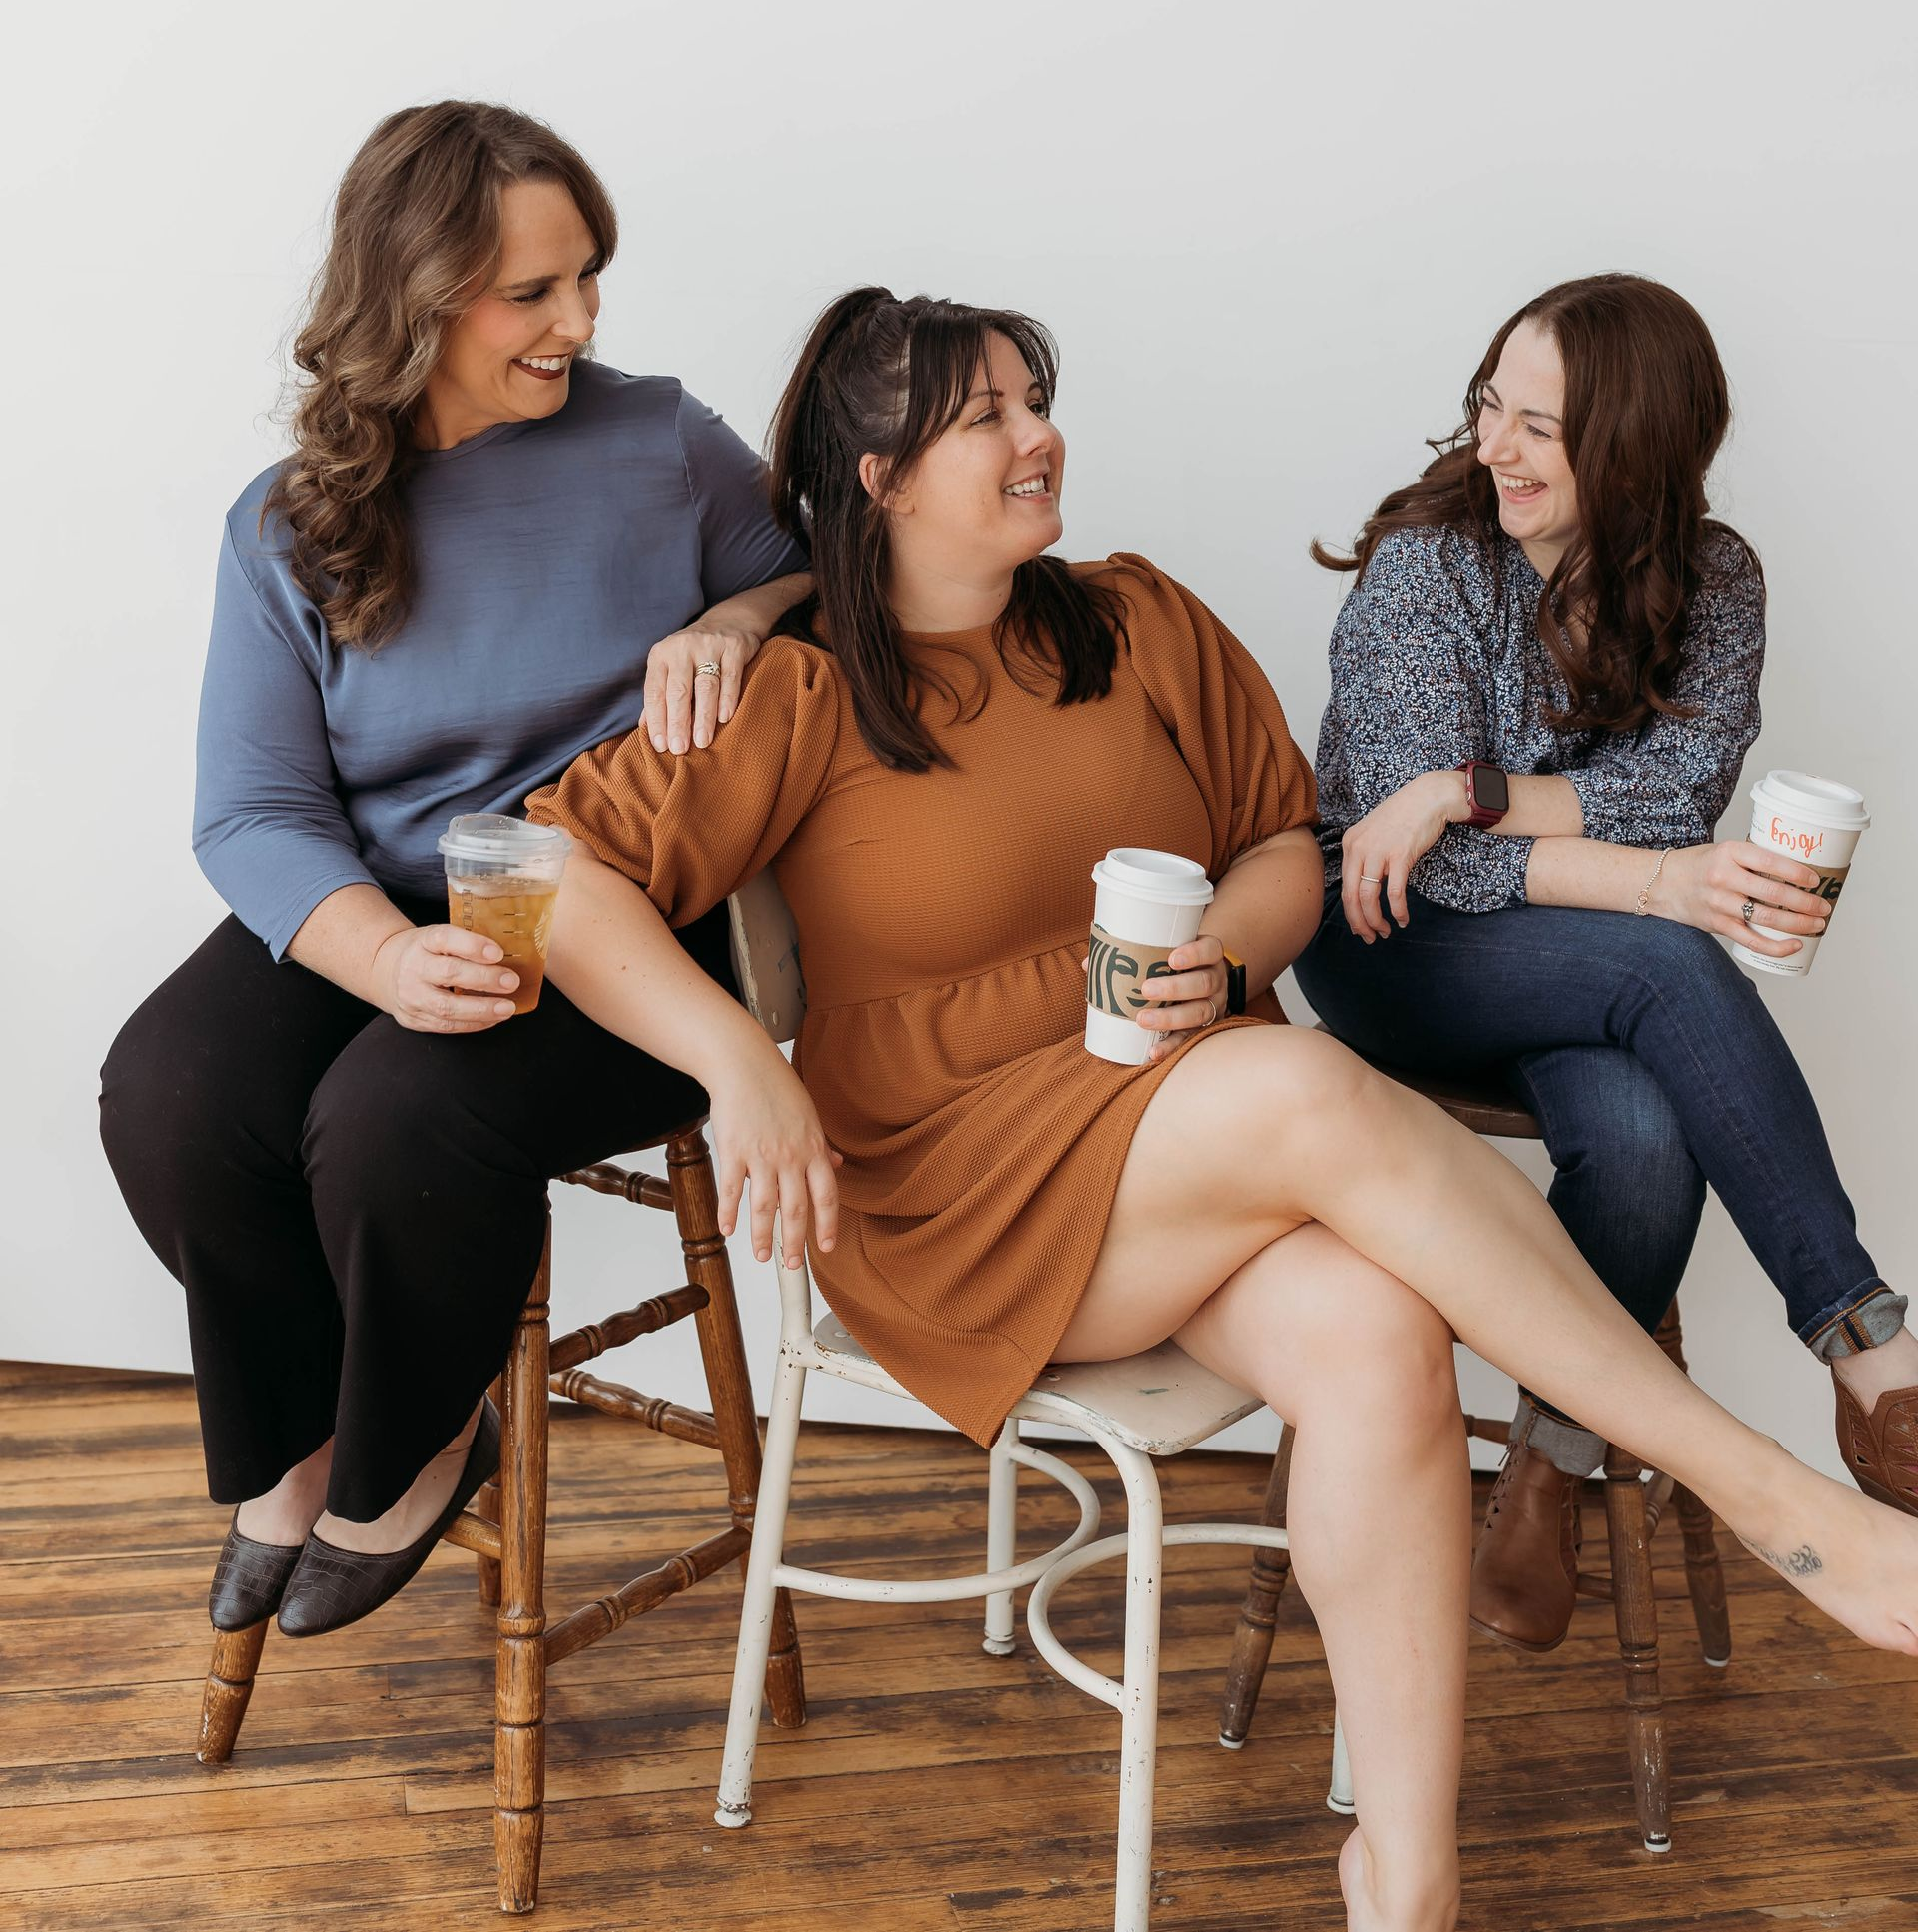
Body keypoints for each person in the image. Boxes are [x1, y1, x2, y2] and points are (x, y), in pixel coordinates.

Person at [521, 287, 1918, 1932]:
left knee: (1379, 1329)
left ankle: (1408, 1877)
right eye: (990, 416)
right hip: (947, 1180)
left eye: (1037, 395)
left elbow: (1283, 850)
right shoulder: (797, 692)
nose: (1041, 434)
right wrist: (739, 1061)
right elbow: (545, 872)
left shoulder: (1134, 620)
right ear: (881, 472)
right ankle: (1771, 1494)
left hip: (1176, 1128)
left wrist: (1232, 950)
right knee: (1299, 1082)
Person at [97, 101, 810, 1642]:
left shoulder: (661, 442)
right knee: (168, 1089)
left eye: (588, 277)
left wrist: (731, 625)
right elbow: (252, 812)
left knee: (390, 1114)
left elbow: (806, 572)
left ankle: (419, 1432)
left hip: (630, 903)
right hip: (391, 891)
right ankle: (298, 1439)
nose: (581, 321)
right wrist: (379, 960)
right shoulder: (292, 522)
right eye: (533, 292)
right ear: (414, 296)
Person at [1297, 273, 1914, 1655]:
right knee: (1670, 966)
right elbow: (1419, 868)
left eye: (1542, 428)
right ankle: (1869, 1341)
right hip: (1396, 949)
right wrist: (1646, 885)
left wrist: (1470, 787)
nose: (1495, 448)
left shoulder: (1718, 581)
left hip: (1573, 963)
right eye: (1488, 408)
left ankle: (1543, 1471)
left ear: (1636, 454)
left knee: (1642, 1137)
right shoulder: (1428, 566)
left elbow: (1678, 790)